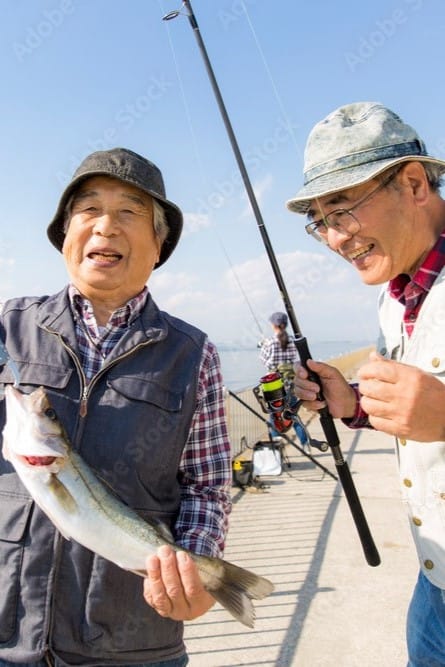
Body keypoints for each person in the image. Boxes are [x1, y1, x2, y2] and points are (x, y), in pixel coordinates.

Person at [0, 148, 232, 666]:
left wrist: (198, 569)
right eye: (87, 210)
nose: (105, 227)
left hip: (134, 642)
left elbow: (206, 487)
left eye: (129, 213)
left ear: (159, 244)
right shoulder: (7, 328)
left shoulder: (193, 355)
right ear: (64, 234)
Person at [286, 101, 445, 666]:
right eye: (320, 222)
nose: (333, 237)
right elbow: (418, 412)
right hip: (436, 582)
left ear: (413, 183)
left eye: (342, 209)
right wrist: (352, 404)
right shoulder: (392, 296)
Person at [259, 312, 327, 452]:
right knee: (292, 413)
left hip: (273, 388)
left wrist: (262, 345)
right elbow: (296, 359)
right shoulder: (291, 340)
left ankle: (276, 448)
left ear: (273, 325)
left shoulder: (270, 342)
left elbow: (264, 360)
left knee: (275, 415)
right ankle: (306, 444)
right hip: (290, 384)